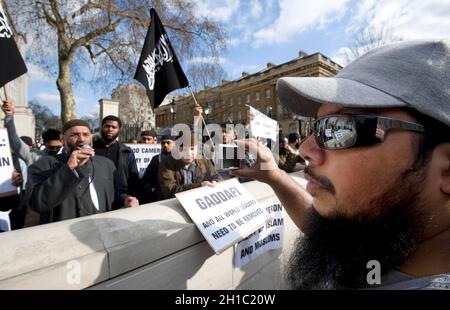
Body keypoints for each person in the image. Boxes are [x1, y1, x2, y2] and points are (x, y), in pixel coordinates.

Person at [231, 39, 450, 290]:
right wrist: (274, 176)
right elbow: (335, 230)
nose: (305, 149)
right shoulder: (387, 238)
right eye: (317, 127)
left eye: (342, 128)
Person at [27, 119, 139, 223]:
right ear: (62, 138)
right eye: (75, 135)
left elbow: (116, 192)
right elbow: (37, 203)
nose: (81, 139)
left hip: (104, 229)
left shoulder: (106, 164)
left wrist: (126, 199)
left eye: (86, 134)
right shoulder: (44, 165)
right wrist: (69, 169)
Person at [159, 130, 222, 199]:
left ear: (197, 148)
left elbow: (216, 175)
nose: (188, 154)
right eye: (183, 150)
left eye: (192, 149)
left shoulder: (204, 161)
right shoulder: (167, 163)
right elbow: (169, 190)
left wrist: (215, 181)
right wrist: (199, 186)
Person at [93, 115, 140, 202]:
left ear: (119, 130)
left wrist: (130, 197)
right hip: (96, 196)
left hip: (121, 197)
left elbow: (133, 178)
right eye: (107, 126)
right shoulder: (91, 149)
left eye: (114, 127)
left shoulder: (127, 151)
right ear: (101, 127)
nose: (110, 129)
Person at [141, 129, 176, 202]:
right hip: (157, 198)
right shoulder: (155, 159)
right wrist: (153, 190)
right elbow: (146, 180)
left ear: (174, 143)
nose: (165, 145)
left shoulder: (179, 159)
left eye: (168, 142)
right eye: (163, 143)